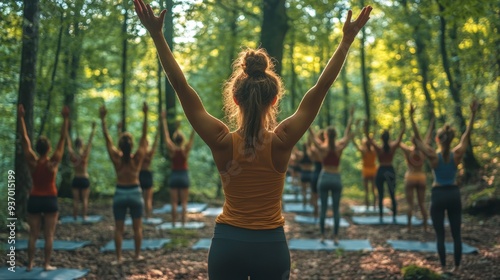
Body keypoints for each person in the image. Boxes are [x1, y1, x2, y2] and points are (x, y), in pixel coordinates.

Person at [133, 0, 371, 278]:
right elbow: (321, 87)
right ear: (274, 99)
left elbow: (180, 85)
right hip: (270, 245)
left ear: (235, 98)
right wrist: (345, 42)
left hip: (227, 244)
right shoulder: (282, 141)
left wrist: (157, 36)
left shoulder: (221, 140)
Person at [414, 101, 478, 272]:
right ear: (451, 139)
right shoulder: (457, 154)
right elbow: (467, 134)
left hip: (438, 195)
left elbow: (418, 141)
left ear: (437, 139)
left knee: (440, 235)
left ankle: (443, 268)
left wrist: (412, 120)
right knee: (457, 234)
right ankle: (457, 268)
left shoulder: (433, 156)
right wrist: (472, 114)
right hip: (454, 194)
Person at [18, 104, 69, 271]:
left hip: (35, 198)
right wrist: (65, 119)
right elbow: (62, 139)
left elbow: (25, 140)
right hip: (50, 200)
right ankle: (46, 264)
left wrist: (21, 118)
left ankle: (30, 264)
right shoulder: (53, 162)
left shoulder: (32, 161)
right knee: (49, 235)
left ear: (38, 149)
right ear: (48, 149)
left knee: (32, 234)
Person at [99, 102, 149, 265]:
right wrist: (146, 115)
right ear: (132, 145)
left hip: (120, 193)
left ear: (120, 145)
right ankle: (137, 255)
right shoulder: (137, 158)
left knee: (118, 228)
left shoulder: (116, 158)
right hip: (135, 192)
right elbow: (143, 138)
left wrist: (103, 120)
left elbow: (107, 140)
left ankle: (119, 258)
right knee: (137, 228)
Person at [310, 108, 353, 244]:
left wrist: (308, 118)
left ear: (327, 135)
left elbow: (312, 136)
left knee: (323, 209)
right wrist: (350, 118)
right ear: (335, 135)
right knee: (335, 209)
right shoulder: (339, 147)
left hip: (324, 177)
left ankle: (322, 237)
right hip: (336, 178)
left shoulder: (322, 148)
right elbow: (347, 135)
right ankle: (335, 238)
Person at [399, 104, 435, 232]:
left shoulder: (408, 151)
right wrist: (432, 120)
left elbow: (398, 142)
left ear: (411, 141)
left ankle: (409, 228)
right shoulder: (423, 149)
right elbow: (429, 135)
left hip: (410, 177)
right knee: (422, 204)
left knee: (410, 204)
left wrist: (404, 125)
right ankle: (425, 228)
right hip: (421, 177)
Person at [364, 118, 405, 223]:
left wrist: (366, 126)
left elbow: (368, 138)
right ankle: (394, 217)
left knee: (381, 194)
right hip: (390, 170)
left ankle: (381, 217)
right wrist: (403, 124)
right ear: (389, 138)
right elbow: (400, 138)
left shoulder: (378, 148)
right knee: (392, 194)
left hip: (381, 170)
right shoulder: (392, 147)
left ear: (381, 139)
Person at [161, 112, 195, 227]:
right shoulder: (185, 150)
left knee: (174, 202)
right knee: (184, 202)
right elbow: (191, 137)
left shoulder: (172, 150)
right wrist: (194, 125)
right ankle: (184, 224)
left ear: (175, 140)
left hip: (174, 175)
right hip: (184, 175)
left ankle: (174, 223)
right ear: (182, 140)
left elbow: (166, 137)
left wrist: (163, 119)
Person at [67, 122, 96, 221]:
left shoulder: (73, 155)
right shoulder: (84, 154)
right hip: (84, 178)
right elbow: (90, 142)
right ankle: (84, 216)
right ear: (82, 144)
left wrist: (66, 130)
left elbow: (68, 145)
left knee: (76, 200)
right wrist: (92, 130)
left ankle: (75, 216)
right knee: (84, 199)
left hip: (76, 178)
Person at [352, 124, 378, 211]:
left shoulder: (363, 151)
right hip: (373, 170)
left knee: (367, 191)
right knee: (373, 190)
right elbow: (372, 140)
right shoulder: (374, 151)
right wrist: (375, 128)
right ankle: (374, 206)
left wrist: (357, 133)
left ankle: (367, 206)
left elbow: (357, 143)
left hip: (366, 171)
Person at [139, 130, 159, 220]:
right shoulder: (149, 154)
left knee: (141, 198)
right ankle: (148, 216)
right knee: (148, 199)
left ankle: (142, 215)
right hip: (147, 175)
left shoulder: (138, 154)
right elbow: (155, 145)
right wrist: (158, 132)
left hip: (139, 175)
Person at [298, 142, 314, 209]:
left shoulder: (301, 155)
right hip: (310, 173)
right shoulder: (311, 155)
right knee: (311, 189)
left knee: (304, 189)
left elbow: (298, 163)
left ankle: (304, 201)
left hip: (303, 173)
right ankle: (311, 201)